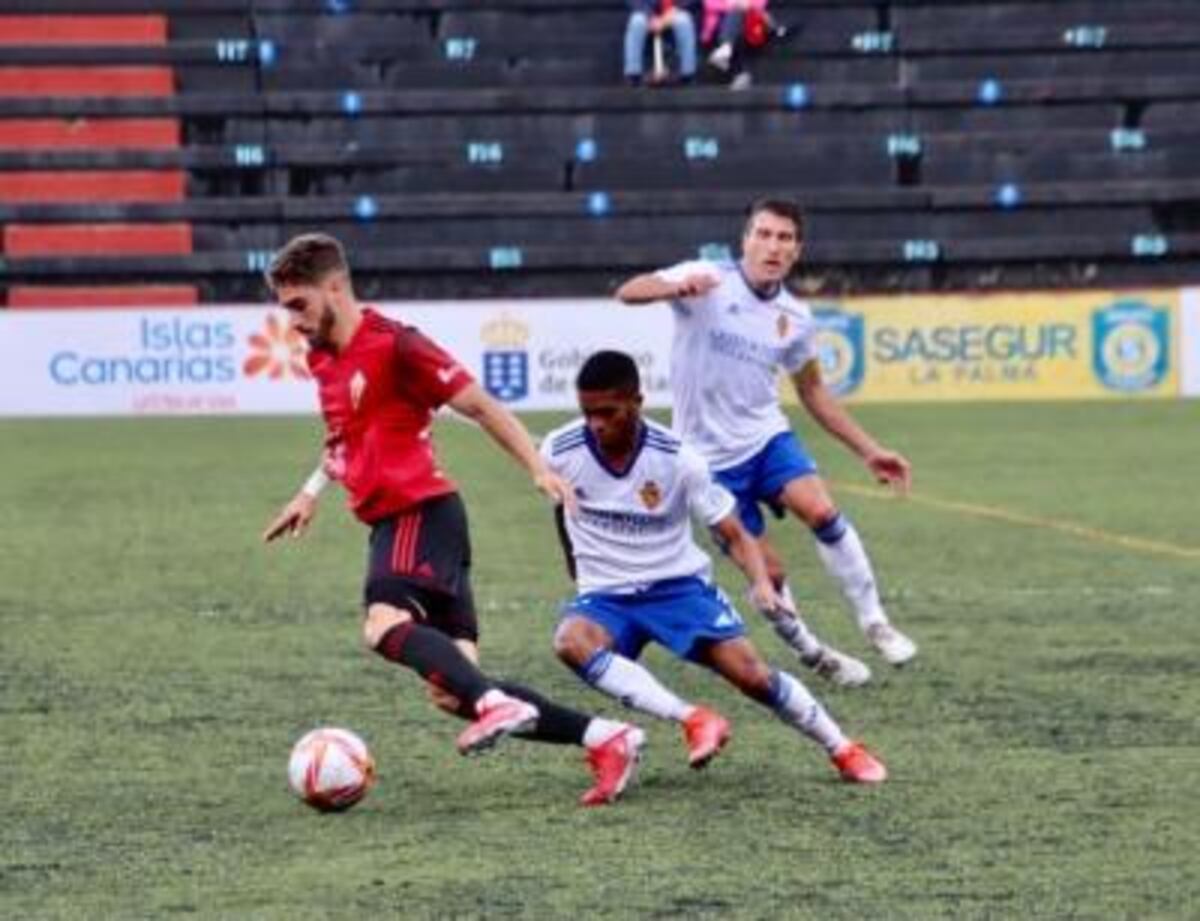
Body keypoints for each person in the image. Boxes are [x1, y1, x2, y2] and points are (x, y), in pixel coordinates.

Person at [261, 233, 643, 807]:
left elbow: (481, 405)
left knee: (381, 625)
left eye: (299, 304)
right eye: (285, 307)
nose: (292, 320)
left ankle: (497, 706)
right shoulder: (322, 358)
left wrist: (538, 468)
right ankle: (608, 737)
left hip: (417, 513)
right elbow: (342, 436)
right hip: (416, 524)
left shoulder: (398, 346)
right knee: (454, 690)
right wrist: (309, 491)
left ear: (334, 287)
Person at [543, 351, 887, 783]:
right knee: (570, 641)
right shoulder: (559, 448)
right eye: (587, 412)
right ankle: (694, 718)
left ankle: (843, 747)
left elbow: (735, 532)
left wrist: (761, 583)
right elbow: (561, 505)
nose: (596, 423)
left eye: (607, 412)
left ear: (637, 401)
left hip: (677, 588)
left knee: (753, 677)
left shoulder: (678, 460)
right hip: (607, 594)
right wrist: (573, 563)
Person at [615, 197, 919, 673]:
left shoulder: (795, 318)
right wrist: (671, 286)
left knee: (822, 510)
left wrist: (870, 451)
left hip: (764, 437)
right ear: (746, 239)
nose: (772, 246)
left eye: (784, 238)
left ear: (797, 250)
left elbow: (814, 391)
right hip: (704, 461)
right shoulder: (708, 278)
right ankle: (813, 652)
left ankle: (875, 621)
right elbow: (629, 291)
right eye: (764, 234)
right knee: (769, 572)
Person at [624, 0, 698, 86]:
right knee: (637, 21)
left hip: (676, 12)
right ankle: (633, 75)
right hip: (647, 13)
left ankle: (687, 75)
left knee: (684, 20)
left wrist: (675, 11)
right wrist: (650, 16)